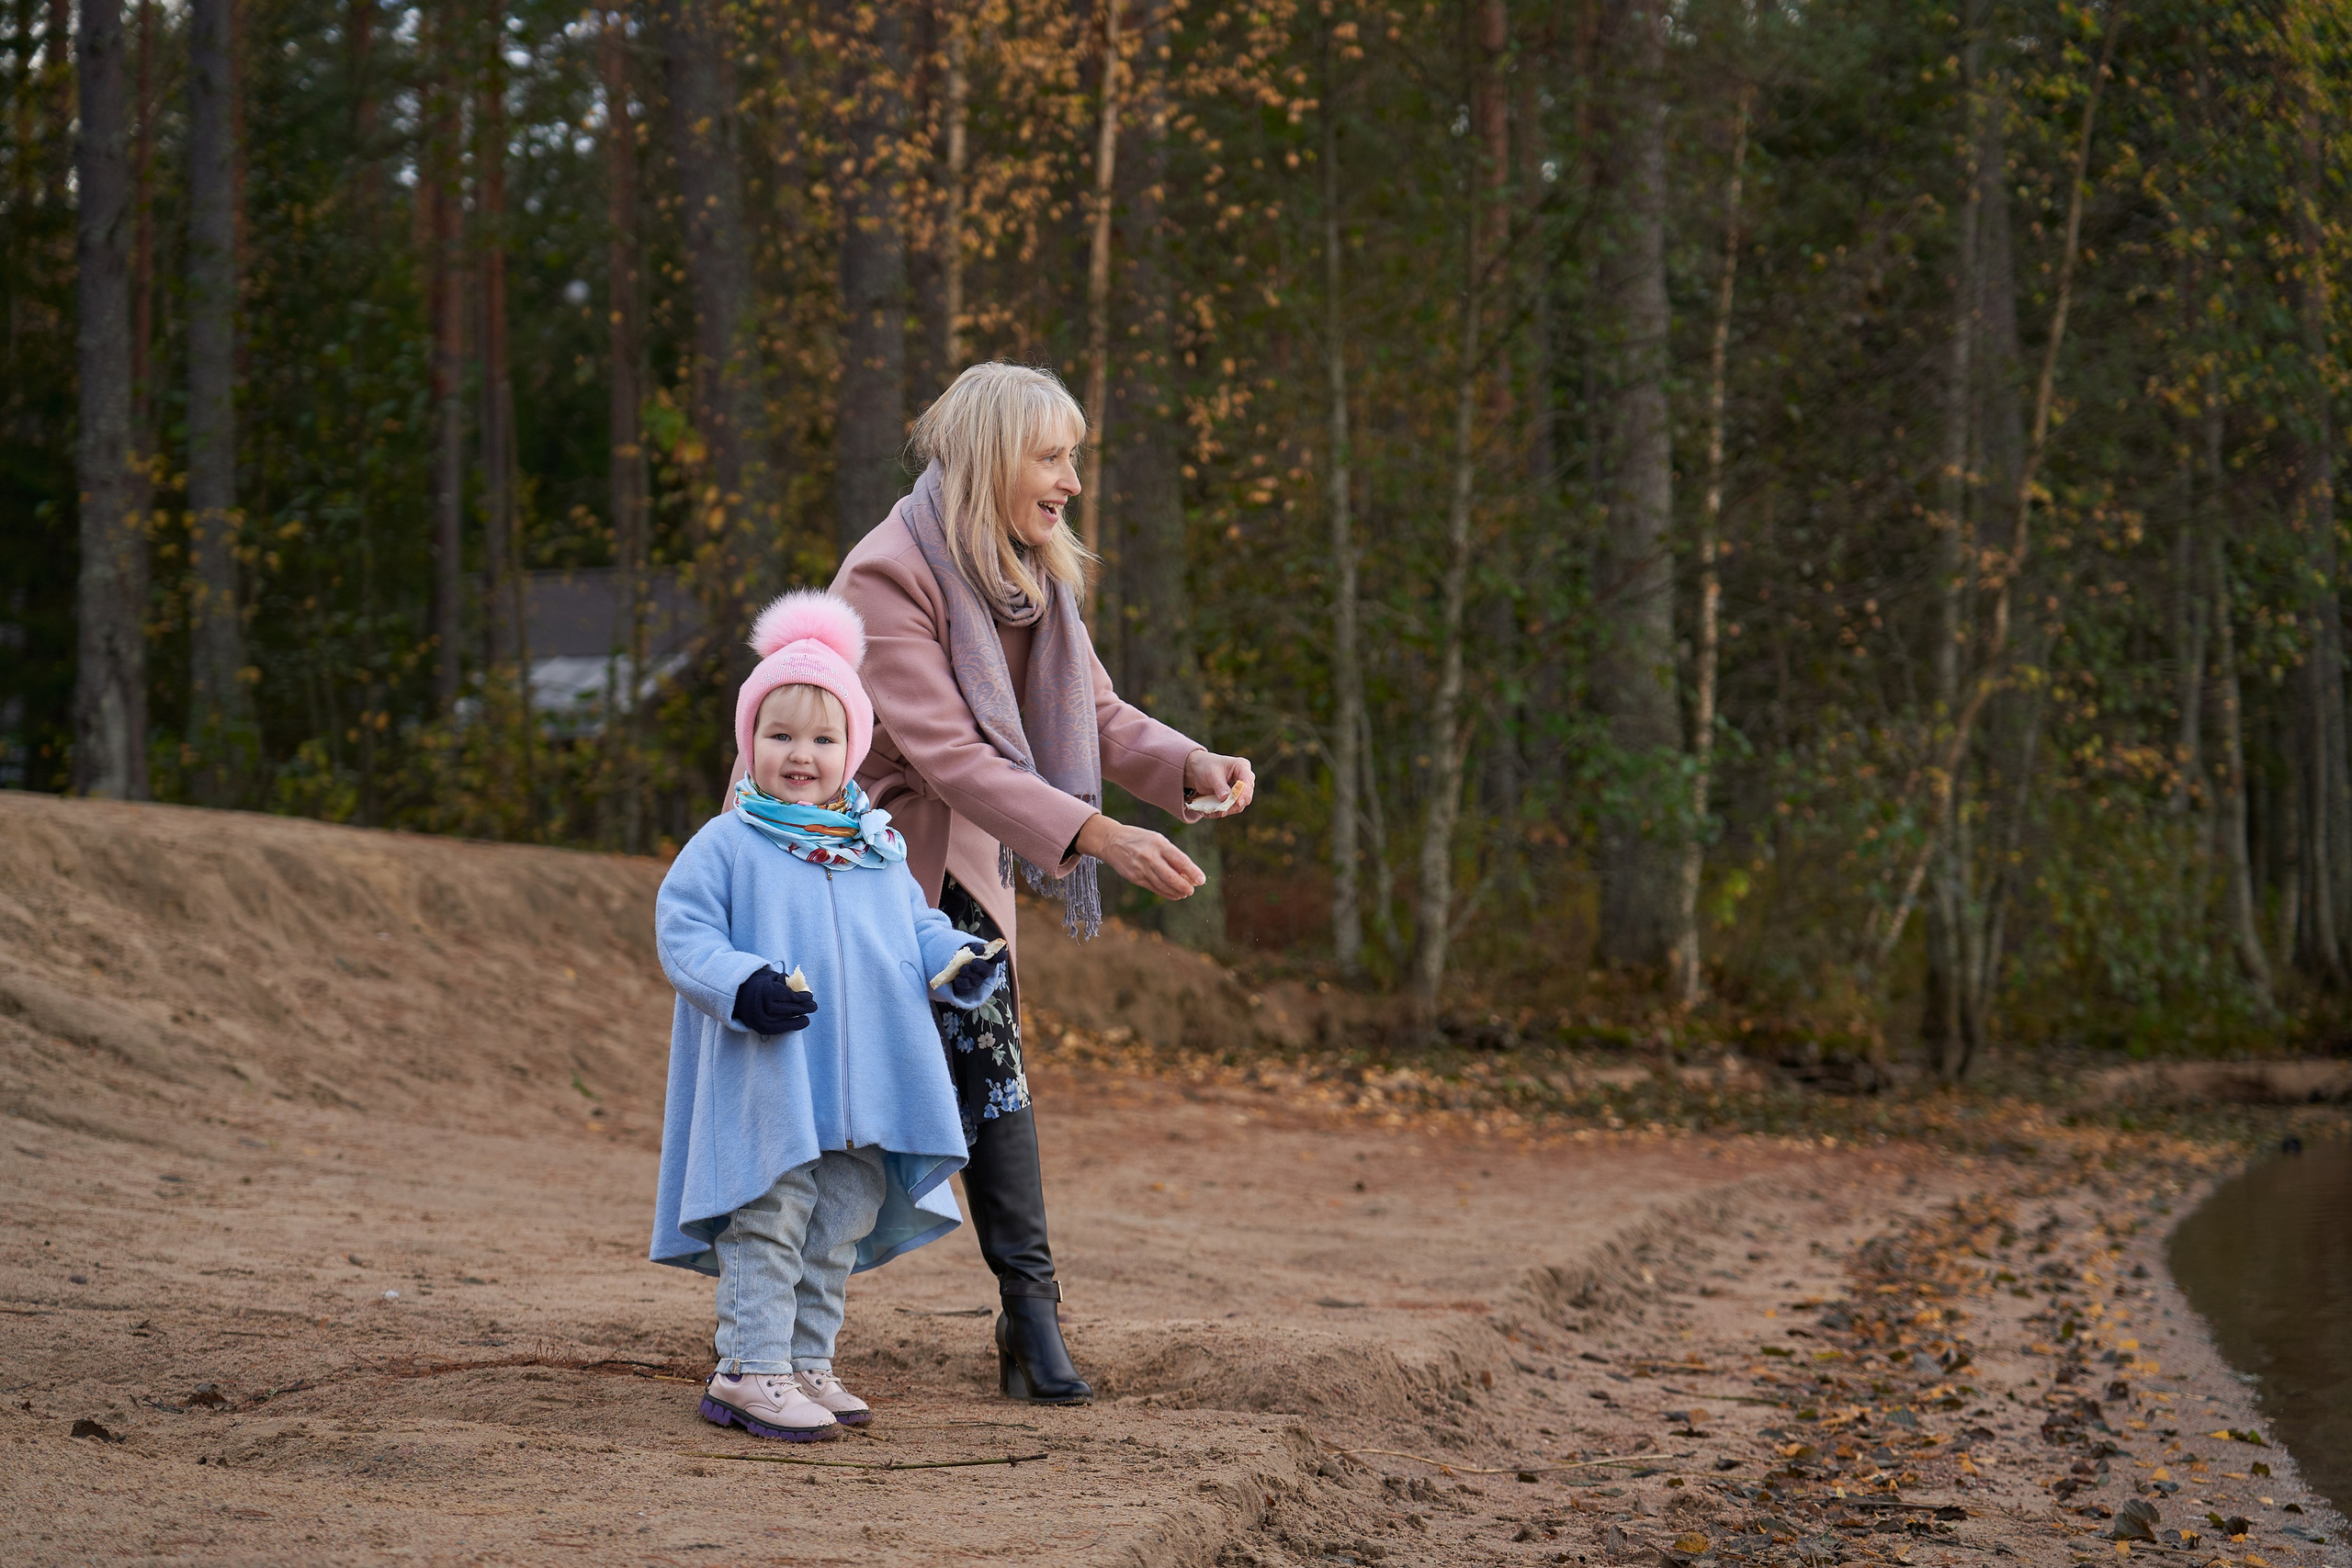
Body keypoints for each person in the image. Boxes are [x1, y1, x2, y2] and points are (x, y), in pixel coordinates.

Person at [833, 361, 1255, 1404]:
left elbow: (1094, 715)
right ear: (989, 458)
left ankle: (1031, 1319)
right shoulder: (887, 575)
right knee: (830, 1102)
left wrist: (1188, 764)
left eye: (1074, 457)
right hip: (849, 862)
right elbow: (948, 757)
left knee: (995, 1068)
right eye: (1052, 455)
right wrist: (1101, 834)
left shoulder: (1032, 574)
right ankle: (768, 1325)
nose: (1069, 480)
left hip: (964, 856)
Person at [649, 590, 1008, 1441]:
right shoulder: (730, 842)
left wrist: (955, 955)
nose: (800, 755)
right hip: (771, 1075)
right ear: (749, 745)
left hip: (863, 1087)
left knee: (837, 1220)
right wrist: (742, 983)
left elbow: (911, 927)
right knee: (771, 1214)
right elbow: (683, 928)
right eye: (779, 736)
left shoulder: (875, 848)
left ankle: (806, 1360)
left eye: (823, 737)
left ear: (852, 746)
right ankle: (749, 1369)